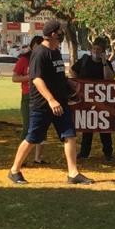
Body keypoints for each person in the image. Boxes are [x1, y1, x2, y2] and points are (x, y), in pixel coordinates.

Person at [7, 19, 92, 185]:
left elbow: (59, 77)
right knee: (33, 138)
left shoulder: (56, 52)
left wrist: (70, 89)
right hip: (43, 105)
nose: (62, 34)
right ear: (53, 34)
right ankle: (14, 170)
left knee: (69, 135)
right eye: (59, 31)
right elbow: (37, 80)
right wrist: (51, 100)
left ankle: (73, 173)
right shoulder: (40, 53)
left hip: (61, 103)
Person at [71, 37, 115, 162]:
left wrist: (104, 62)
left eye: (98, 49)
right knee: (87, 127)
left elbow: (110, 78)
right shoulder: (85, 60)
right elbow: (73, 70)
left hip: (102, 100)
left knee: (104, 127)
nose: (95, 51)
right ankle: (84, 153)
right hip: (86, 100)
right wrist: (78, 83)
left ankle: (108, 153)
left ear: (103, 51)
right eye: (94, 48)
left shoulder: (106, 63)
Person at [12, 36, 47, 165]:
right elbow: (15, 78)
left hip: (43, 96)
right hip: (28, 96)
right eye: (37, 45)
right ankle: (22, 159)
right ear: (32, 46)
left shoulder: (46, 58)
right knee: (27, 127)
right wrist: (29, 77)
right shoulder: (24, 59)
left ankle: (39, 157)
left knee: (42, 127)